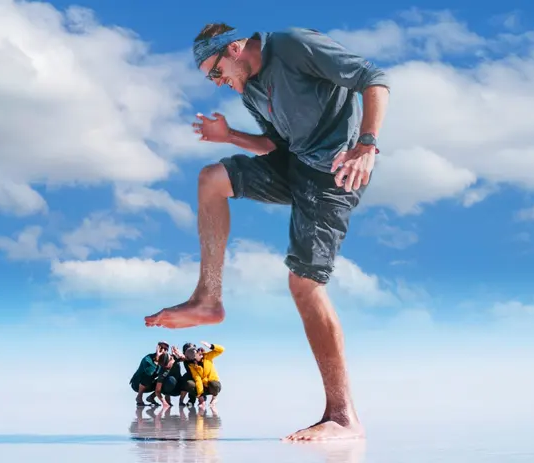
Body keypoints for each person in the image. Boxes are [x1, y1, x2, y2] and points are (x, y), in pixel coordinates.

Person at [143, 23, 390, 442]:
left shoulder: (292, 45)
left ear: (236, 48)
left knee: (305, 285)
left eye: (216, 73)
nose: (219, 84)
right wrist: (229, 136)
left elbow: (374, 78)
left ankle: (344, 417)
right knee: (211, 179)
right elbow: (277, 147)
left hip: (334, 172)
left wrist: (366, 145)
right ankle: (208, 299)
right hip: (294, 168)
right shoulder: (254, 91)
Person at [129, 341, 176, 407]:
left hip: (150, 385)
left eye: (165, 349)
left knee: (170, 380)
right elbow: (149, 372)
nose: (163, 350)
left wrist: (175, 356)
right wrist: (157, 360)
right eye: (161, 348)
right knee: (149, 375)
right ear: (157, 348)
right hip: (137, 384)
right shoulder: (148, 359)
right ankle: (139, 397)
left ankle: (151, 397)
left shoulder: (166, 360)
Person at [182, 341, 224, 409]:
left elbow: (221, 350)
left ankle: (214, 399)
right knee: (189, 382)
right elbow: (197, 379)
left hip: (211, 385)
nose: (199, 352)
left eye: (196, 350)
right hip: (203, 386)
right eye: (194, 353)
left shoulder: (207, 356)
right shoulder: (192, 365)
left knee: (214, 384)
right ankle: (197, 400)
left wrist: (211, 346)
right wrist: (201, 398)